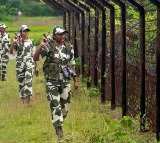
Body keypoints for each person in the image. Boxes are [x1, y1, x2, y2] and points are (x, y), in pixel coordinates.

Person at [33, 25, 78, 140]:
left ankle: (58, 121)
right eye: (59, 34)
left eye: (64, 34)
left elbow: (72, 64)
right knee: (55, 105)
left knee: (65, 108)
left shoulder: (69, 47)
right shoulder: (49, 46)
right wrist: (40, 46)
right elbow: (35, 58)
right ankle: (59, 132)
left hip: (65, 82)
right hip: (51, 82)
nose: (62, 36)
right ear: (54, 36)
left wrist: (75, 81)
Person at [10, 25, 37, 106]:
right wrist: (13, 42)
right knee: (21, 83)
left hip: (29, 64)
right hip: (19, 65)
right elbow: (11, 52)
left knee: (28, 81)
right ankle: (24, 102)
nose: (26, 32)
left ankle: (28, 101)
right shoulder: (17, 41)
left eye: (27, 31)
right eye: (24, 31)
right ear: (21, 32)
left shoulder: (31, 42)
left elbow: (34, 55)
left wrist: (37, 66)